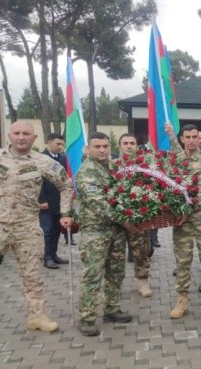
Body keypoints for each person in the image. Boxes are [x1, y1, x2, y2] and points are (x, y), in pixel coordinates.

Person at [0, 122, 73, 347]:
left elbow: (66, 186)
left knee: (33, 276)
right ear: (9, 135)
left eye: (26, 134)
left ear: (34, 137)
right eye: (17, 133)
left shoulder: (44, 162)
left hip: (26, 228)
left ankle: (36, 317)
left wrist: (65, 212)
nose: (21, 137)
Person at [76, 131, 135, 336]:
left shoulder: (114, 167)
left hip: (117, 231)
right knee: (93, 275)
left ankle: (112, 309)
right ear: (89, 149)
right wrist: (127, 222)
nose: (102, 150)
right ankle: (87, 317)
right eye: (97, 147)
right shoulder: (86, 172)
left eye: (105, 146)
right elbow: (99, 205)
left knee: (116, 272)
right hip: (96, 232)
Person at [164, 123, 201, 320]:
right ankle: (182, 300)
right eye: (187, 137)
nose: (191, 141)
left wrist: (185, 211)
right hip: (181, 222)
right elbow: (168, 188)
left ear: (200, 139)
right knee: (182, 261)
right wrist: (175, 211)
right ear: (182, 139)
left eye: (194, 137)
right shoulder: (174, 160)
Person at [114, 133, 154, 298]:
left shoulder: (144, 165)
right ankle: (114, 284)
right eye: (125, 143)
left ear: (137, 146)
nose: (129, 146)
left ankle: (143, 281)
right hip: (116, 218)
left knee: (141, 251)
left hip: (138, 217)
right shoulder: (112, 165)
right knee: (116, 253)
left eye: (132, 143)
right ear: (119, 145)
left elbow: (152, 187)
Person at [38, 133, 69, 269]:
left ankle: (54, 255)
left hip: (59, 202)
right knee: (48, 231)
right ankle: (47, 258)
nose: (61, 147)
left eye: (62, 144)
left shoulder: (62, 157)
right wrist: (41, 199)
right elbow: (38, 181)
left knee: (56, 230)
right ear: (48, 143)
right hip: (46, 203)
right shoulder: (40, 158)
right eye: (58, 144)